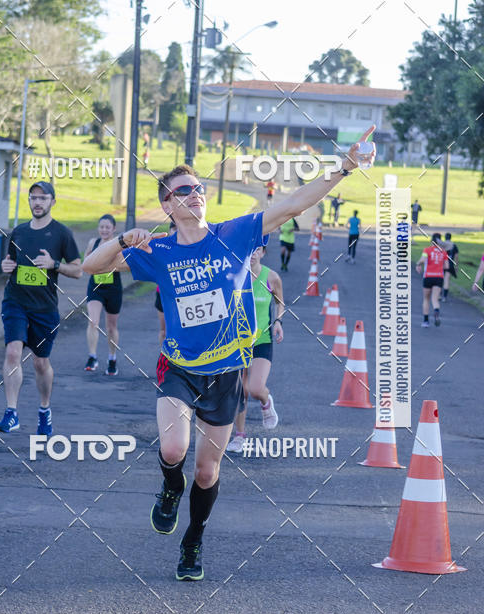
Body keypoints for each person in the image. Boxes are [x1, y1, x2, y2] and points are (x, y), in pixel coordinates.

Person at [81, 126, 374, 582]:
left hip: (225, 374)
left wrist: (344, 168)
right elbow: (90, 266)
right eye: (184, 191)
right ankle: (167, 489)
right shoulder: (155, 250)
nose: (195, 194)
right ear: (167, 205)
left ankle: (193, 539)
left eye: (198, 188)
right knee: (174, 448)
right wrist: (122, 240)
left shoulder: (233, 234)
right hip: (178, 368)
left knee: (206, 471)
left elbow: (294, 204)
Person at [0, 181, 82, 435]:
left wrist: (54, 264)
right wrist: (6, 266)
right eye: (33, 198)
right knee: (12, 352)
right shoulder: (19, 232)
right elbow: (9, 262)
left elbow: (78, 269)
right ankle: (11, 413)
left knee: (40, 363)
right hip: (15, 301)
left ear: (53, 201)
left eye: (43, 198)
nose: (37, 202)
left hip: (44, 308)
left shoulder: (62, 234)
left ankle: (44, 409)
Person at [227, 246, 284, 453]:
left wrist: (278, 321)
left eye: (257, 250)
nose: (252, 254)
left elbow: (280, 303)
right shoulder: (233, 276)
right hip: (237, 343)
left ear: (263, 253)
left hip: (262, 340)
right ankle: (240, 436)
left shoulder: (272, 277)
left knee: (255, 388)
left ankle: (266, 400)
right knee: (239, 391)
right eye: (249, 250)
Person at [84, 214, 123, 375]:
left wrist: (105, 266)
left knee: (111, 327)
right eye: (102, 227)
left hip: (113, 288)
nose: (104, 230)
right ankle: (92, 357)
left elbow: (123, 264)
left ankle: (112, 358)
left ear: (113, 229)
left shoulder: (118, 244)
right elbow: (86, 262)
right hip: (95, 287)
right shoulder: (93, 243)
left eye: (107, 227)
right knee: (93, 321)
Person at [416, 233, 448, 328]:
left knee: (426, 299)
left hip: (428, 276)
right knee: (435, 299)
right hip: (439, 277)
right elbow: (447, 266)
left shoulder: (427, 250)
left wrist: (418, 264)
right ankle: (436, 311)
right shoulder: (444, 252)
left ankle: (426, 321)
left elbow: (423, 259)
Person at [442, 232, 458, 301]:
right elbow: (456, 257)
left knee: (440, 280)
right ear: (450, 237)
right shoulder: (454, 245)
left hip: (442, 264)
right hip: (450, 265)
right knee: (446, 280)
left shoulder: (442, 244)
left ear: (445, 237)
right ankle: (444, 297)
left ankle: (439, 294)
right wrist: (456, 266)